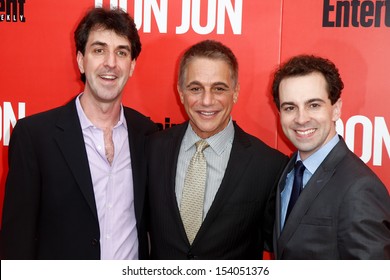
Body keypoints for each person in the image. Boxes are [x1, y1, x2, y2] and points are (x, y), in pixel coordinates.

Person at [0, 7, 158, 259]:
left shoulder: (148, 134)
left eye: (121, 52)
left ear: (132, 66)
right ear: (81, 60)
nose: (111, 62)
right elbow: (16, 242)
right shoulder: (35, 136)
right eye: (99, 50)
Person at [146, 40, 288, 259]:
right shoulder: (151, 150)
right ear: (181, 93)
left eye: (219, 88)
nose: (206, 100)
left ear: (236, 92)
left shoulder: (270, 166)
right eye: (195, 88)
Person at [271, 54, 390, 259]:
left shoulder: (359, 188)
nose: (301, 119)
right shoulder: (289, 171)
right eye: (290, 107)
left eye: (314, 105)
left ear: (335, 110)